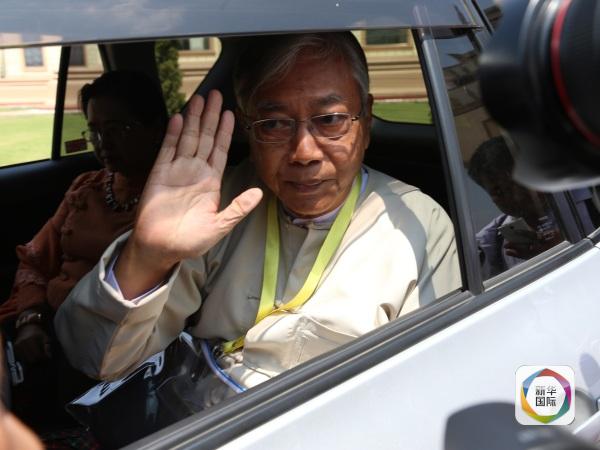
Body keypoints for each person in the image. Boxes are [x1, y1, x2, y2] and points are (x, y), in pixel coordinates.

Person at [55, 33, 461, 404]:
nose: (304, 152)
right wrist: (146, 256)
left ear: (366, 121)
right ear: (249, 131)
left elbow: (425, 389)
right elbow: (97, 359)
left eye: (330, 119)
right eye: (274, 124)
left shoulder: (419, 225)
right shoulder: (216, 205)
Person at [0, 70, 168, 366]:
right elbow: (34, 259)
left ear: (155, 130)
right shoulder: (86, 187)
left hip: (111, 347)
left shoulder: (173, 200)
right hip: (44, 327)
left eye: (117, 129)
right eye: (95, 131)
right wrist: (30, 318)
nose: (103, 142)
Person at [468, 136, 563, 278]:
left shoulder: (587, 203)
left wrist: (561, 247)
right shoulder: (489, 245)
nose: (516, 197)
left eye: (518, 182)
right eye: (498, 192)